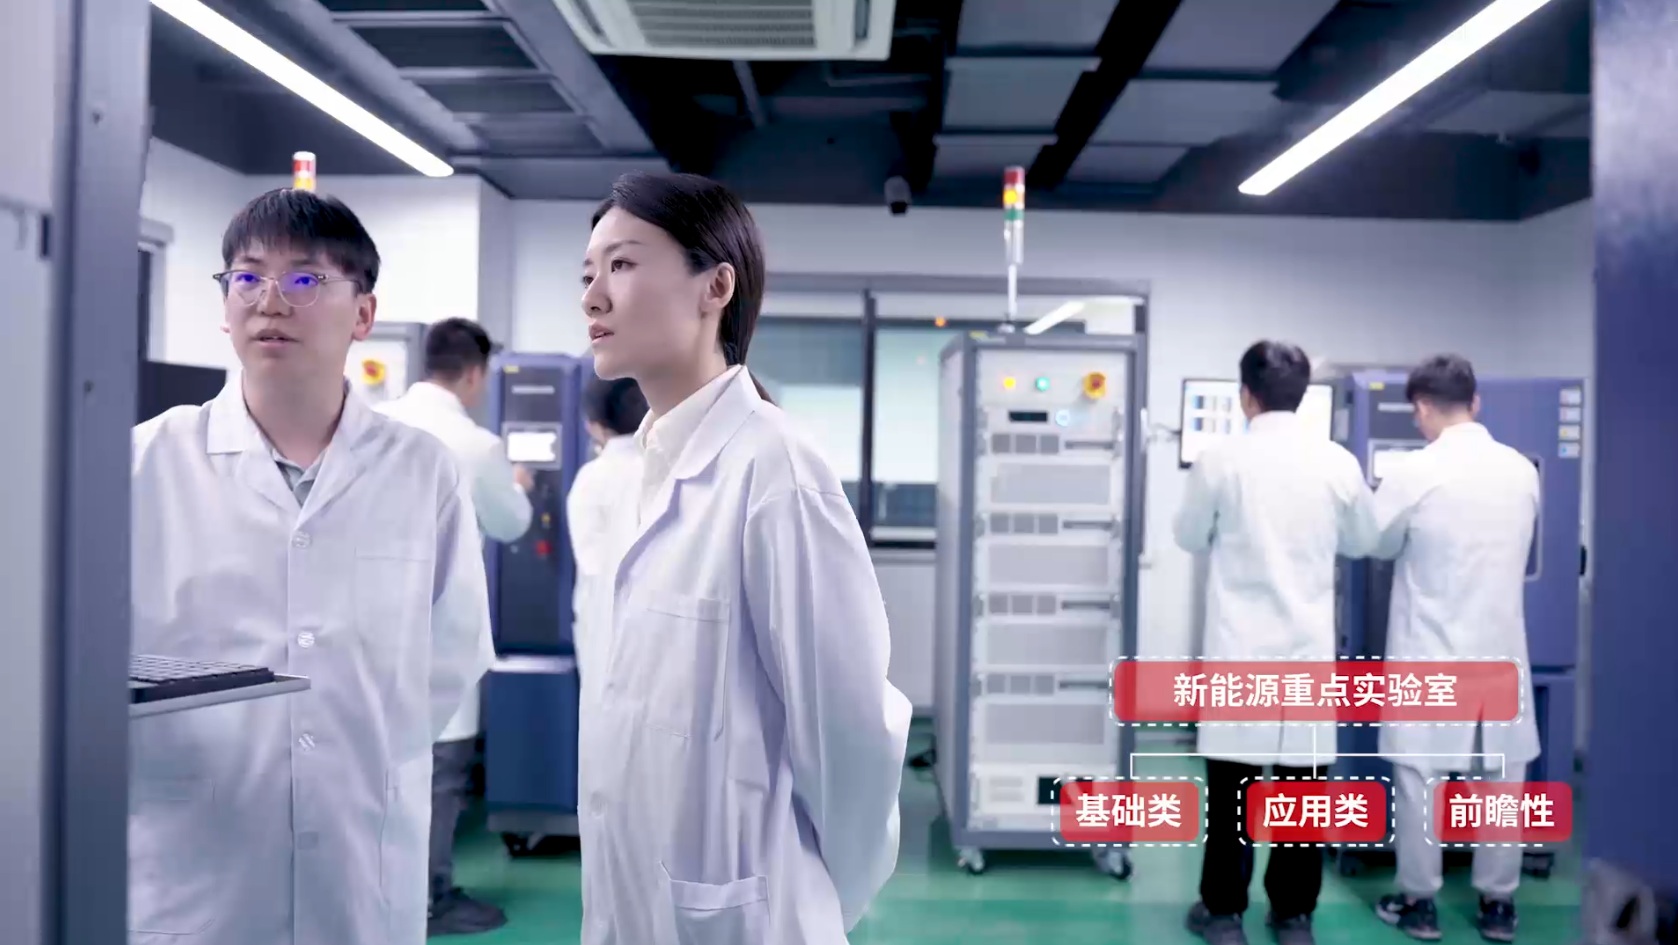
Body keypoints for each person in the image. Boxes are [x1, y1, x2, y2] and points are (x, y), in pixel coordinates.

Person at [128, 188, 495, 945]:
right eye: (247, 277)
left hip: (362, 849)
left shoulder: (420, 470)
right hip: (194, 851)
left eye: (304, 279)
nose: (270, 300)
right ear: (224, 304)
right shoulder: (143, 461)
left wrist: (353, 750)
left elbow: (452, 652)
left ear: (363, 313)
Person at [575, 171, 912, 945]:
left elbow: (850, 733)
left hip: (745, 912)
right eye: (587, 273)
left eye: (622, 264)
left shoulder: (775, 468)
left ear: (715, 286)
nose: (593, 297)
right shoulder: (640, 472)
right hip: (634, 897)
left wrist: (815, 892)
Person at [1172, 341, 1379, 945]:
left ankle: (1223, 914)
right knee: (1302, 790)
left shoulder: (1220, 461)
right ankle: (1292, 916)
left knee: (1231, 794)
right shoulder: (1336, 463)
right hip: (1305, 655)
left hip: (1240, 651)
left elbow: (1188, 536)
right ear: (1303, 395)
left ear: (1246, 395)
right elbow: (1364, 541)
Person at [1370, 355, 1539, 944]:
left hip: (1432, 648)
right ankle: (1498, 904)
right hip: (1499, 649)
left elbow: (1377, 541)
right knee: (1501, 779)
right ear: (1475, 402)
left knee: (1421, 777)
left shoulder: (1414, 472)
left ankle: (1419, 902)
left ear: (1421, 407)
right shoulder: (1521, 470)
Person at [376, 316, 534, 936]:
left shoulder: (373, 424)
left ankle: (383, 892)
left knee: (379, 764)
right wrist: (517, 486)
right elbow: (513, 523)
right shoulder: (476, 446)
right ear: (474, 374)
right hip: (438, 627)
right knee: (441, 771)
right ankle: (428, 899)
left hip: (369, 628)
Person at [563, 375, 647, 677]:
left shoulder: (591, 479)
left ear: (592, 425)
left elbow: (591, 563)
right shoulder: (666, 468)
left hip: (602, 626)